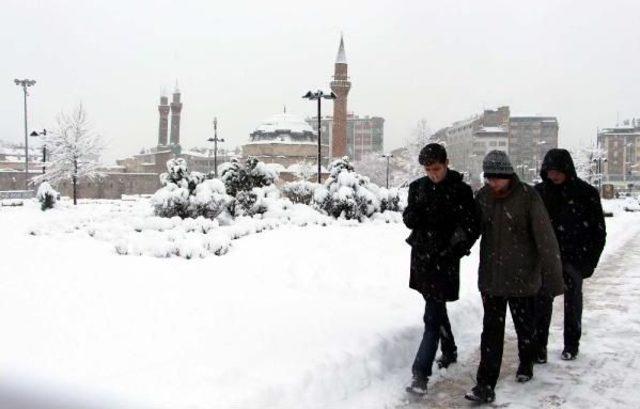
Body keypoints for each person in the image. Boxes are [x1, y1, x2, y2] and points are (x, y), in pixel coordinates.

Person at [465, 150, 564, 403]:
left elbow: (546, 240)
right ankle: (485, 385)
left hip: (522, 279)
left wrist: (553, 279)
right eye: (489, 178)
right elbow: (471, 229)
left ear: (508, 175)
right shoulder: (483, 197)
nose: (492, 183)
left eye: (497, 178)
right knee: (491, 333)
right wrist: (455, 244)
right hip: (492, 279)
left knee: (524, 327)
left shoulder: (528, 197)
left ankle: (526, 361)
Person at [402, 143, 480, 396]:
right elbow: (409, 220)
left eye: (436, 168)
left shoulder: (460, 190)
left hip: (445, 259)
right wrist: (416, 209)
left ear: (446, 163)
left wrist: (457, 248)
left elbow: (471, 225)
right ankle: (449, 349)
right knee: (435, 306)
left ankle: (420, 373)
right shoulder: (418, 188)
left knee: (432, 316)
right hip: (423, 258)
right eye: (428, 170)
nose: (432, 174)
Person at [533, 149, 607, 362]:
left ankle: (571, 345)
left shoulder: (586, 193)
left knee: (572, 303)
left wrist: (588, 263)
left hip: (575, 258)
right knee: (541, 303)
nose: (553, 176)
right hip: (546, 259)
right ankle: (539, 348)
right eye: (549, 171)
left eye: (557, 171)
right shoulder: (538, 194)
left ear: (567, 170)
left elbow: (598, 231)